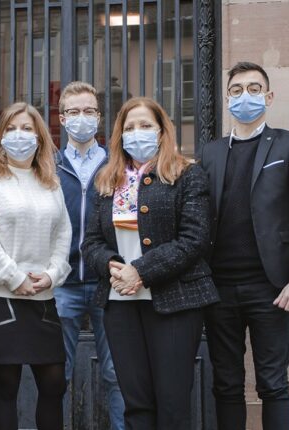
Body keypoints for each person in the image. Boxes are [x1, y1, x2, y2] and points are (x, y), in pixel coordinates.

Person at [81, 96, 219, 430]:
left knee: (172, 405)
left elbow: (194, 239)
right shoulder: (105, 180)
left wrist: (140, 271)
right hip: (120, 303)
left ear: (161, 131)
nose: (137, 133)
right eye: (129, 127)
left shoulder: (187, 174)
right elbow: (90, 242)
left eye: (145, 125)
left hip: (174, 302)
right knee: (136, 404)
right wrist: (113, 265)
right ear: (119, 135)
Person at [199, 61, 289, 430]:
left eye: (253, 89)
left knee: (273, 383)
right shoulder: (210, 152)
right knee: (227, 383)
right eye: (236, 90)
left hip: (271, 287)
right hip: (219, 288)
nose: (244, 97)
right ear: (227, 98)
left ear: (268, 97)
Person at [0, 102, 72, 430]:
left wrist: (52, 274)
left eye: (26, 128)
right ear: (0, 135)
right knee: (6, 386)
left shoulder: (49, 180)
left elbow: (63, 231)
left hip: (42, 296)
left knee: (54, 383)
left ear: (39, 136)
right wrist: (13, 277)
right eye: (11, 129)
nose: (19, 135)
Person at [54, 81, 125, 430]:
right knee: (56, 373)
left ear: (99, 117)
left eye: (89, 111)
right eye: (74, 112)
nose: (82, 118)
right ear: (62, 118)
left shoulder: (117, 165)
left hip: (108, 281)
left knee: (116, 372)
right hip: (61, 282)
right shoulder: (48, 165)